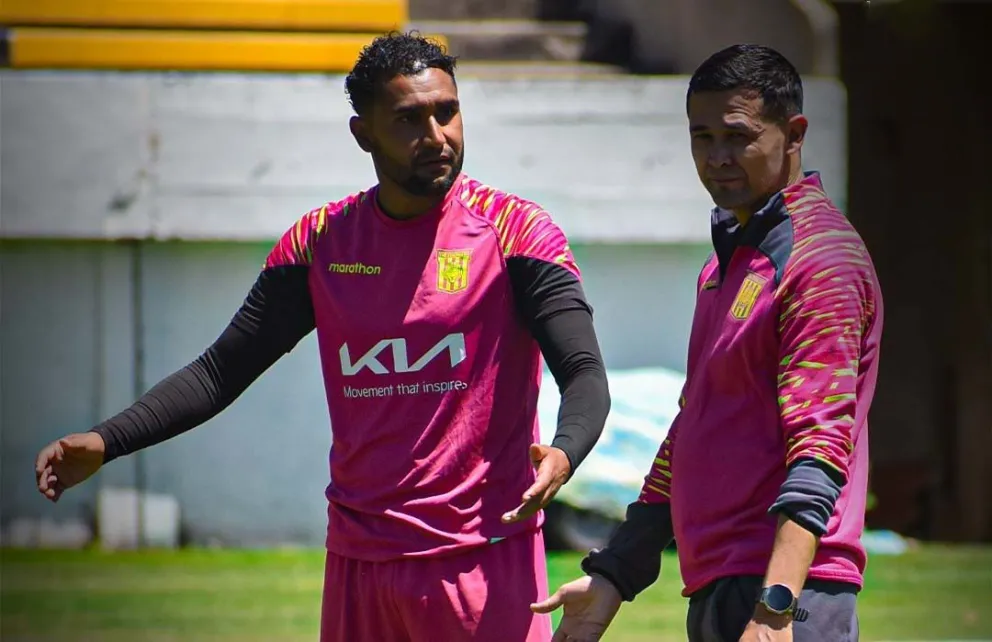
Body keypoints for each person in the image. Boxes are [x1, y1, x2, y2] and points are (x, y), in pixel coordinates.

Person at [34, 31, 611, 642]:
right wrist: (107, 440)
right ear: (363, 134)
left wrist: (565, 449)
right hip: (358, 564)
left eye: (447, 111)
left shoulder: (516, 231)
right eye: (409, 120)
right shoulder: (320, 243)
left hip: (480, 558)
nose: (437, 136)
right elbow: (219, 371)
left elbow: (583, 371)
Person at [533, 44, 884, 642]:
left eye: (738, 137)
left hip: (787, 593)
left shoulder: (820, 260)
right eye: (702, 137)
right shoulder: (729, 262)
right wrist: (614, 574)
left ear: (793, 133)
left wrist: (776, 608)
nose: (717, 158)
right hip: (724, 582)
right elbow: (693, 428)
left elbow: (821, 448)